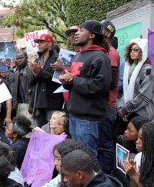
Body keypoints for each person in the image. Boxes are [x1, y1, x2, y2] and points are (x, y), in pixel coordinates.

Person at [59, 20, 112, 158]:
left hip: (88, 118)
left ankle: (91, 181)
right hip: (74, 115)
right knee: (76, 156)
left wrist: (74, 80)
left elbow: (99, 86)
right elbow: (73, 83)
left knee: (87, 158)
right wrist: (66, 81)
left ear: (91, 36)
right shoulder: (77, 55)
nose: (76, 33)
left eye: (81, 30)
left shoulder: (100, 57)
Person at [117, 38, 154, 135]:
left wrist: (125, 109)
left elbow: (144, 96)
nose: (132, 52)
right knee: (119, 138)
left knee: (136, 144)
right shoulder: (132, 71)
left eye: (136, 49)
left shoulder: (147, 70)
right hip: (129, 112)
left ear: (143, 51)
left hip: (141, 113)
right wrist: (121, 107)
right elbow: (125, 93)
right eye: (131, 50)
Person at [98, 20, 120, 174]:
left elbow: (111, 83)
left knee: (105, 144)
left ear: (106, 34)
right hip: (99, 106)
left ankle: (106, 176)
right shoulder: (101, 51)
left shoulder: (111, 53)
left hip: (106, 107)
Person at [29, 34, 64, 127]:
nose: (39, 44)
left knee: (52, 131)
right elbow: (30, 82)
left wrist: (39, 72)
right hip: (38, 102)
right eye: (38, 42)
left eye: (41, 42)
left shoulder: (58, 58)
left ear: (49, 44)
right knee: (40, 132)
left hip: (52, 102)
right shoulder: (37, 59)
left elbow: (58, 80)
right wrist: (34, 73)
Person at [124, 122, 154, 187]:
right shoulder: (139, 156)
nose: (137, 141)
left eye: (142, 139)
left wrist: (135, 175)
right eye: (137, 138)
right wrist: (132, 174)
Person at [12, 51, 32, 123]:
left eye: (21, 58)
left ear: (26, 58)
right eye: (17, 58)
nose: (19, 60)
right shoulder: (16, 71)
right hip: (20, 104)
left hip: (29, 103)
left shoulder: (30, 69)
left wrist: (32, 104)